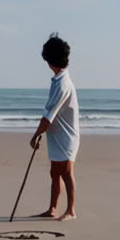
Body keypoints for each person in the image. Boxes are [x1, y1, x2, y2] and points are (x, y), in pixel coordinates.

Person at [30, 33, 79, 221]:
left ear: (51, 60)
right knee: (54, 173)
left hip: (67, 136)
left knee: (66, 173)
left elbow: (48, 116)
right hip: (57, 135)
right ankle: (52, 208)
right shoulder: (59, 79)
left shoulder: (63, 84)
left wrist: (34, 136)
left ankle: (71, 211)